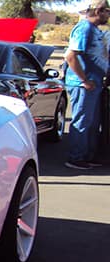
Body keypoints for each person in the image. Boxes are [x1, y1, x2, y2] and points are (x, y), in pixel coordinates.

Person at [63, 0, 110, 170]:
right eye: (107, 11)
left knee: (91, 122)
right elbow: (70, 56)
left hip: (95, 83)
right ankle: (76, 157)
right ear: (99, 10)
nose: (108, 15)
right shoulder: (84, 29)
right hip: (82, 85)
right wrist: (84, 80)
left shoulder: (95, 31)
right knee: (82, 120)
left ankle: (88, 155)